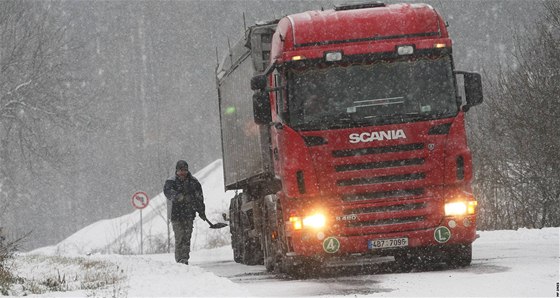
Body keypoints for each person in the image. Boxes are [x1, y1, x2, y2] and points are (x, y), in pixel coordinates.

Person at [163, 160, 207, 265]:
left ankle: (185, 258)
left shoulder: (194, 182)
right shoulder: (171, 181)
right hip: (176, 215)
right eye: (181, 170)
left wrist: (201, 211)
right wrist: (178, 196)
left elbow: (199, 198)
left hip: (189, 214)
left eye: (185, 170)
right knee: (180, 237)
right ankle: (179, 259)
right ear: (176, 171)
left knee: (187, 237)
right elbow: (167, 192)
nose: (183, 173)